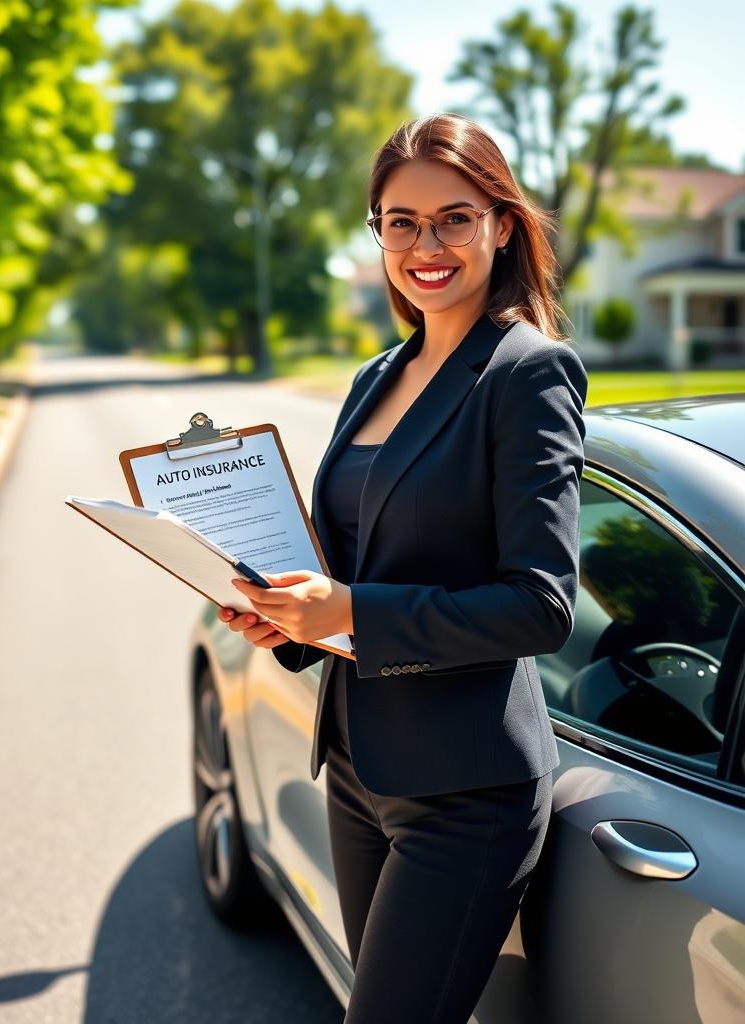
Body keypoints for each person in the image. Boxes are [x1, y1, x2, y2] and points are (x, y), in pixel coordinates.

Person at [217, 112, 587, 1023]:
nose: (427, 245)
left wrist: (350, 609)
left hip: (466, 792)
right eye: (400, 222)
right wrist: (287, 619)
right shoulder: (374, 375)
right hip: (356, 767)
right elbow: (348, 562)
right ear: (377, 231)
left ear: (502, 225)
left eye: (454, 218)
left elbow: (541, 608)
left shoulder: (527, 374)